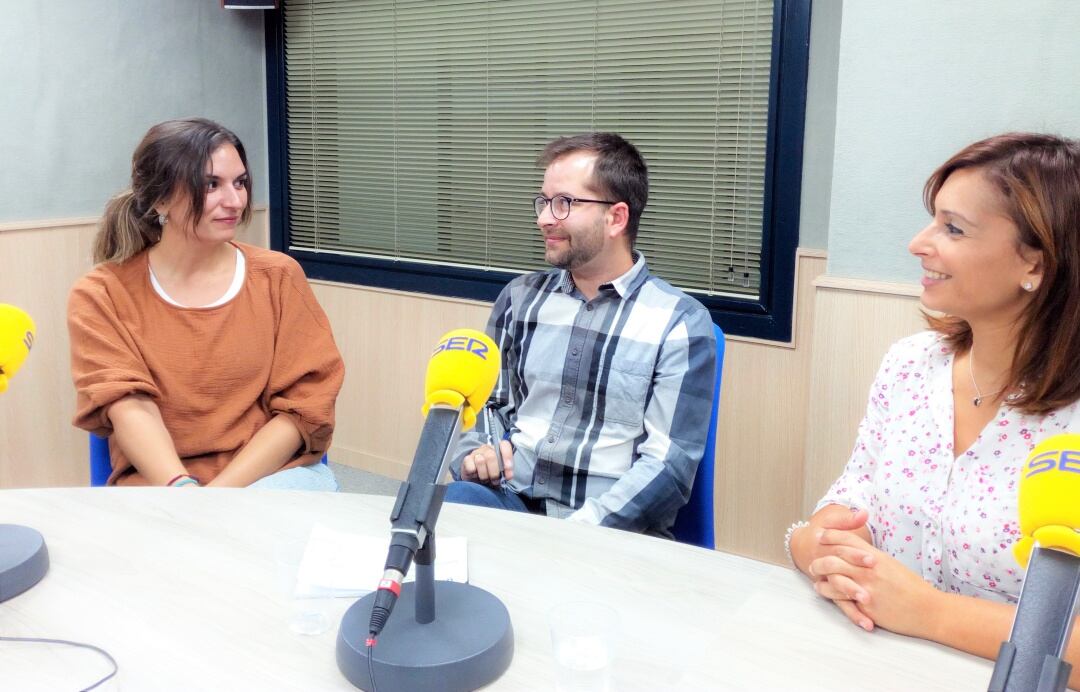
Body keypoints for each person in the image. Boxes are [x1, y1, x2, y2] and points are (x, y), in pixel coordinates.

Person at [787, 132, 1080, 677]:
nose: (918, 243)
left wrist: (930, 613)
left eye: (953, 228)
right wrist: (819, 549)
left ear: (1036, 263)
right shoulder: (910, 364)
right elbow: (848, 503)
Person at [445, 133, 717, 537]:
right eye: (543, 201)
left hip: (608, 528)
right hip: (510, 499)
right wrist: (479, 452)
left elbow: (668, 466)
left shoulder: (678, 323)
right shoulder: (519, 299)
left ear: (616, 218)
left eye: (564, 203)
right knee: (452, 513)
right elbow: (487, 403)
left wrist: (575, 534)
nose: (544, 218)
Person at [67, 118, 345, 489]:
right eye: (211, 184)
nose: (235, 201)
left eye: (240, 182)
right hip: (163, 486)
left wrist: (216, 499)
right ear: (160, 198)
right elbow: (129, 406)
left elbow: (303, 407)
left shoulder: (278, 277)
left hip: (270, 479)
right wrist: (184, 492)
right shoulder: (101, 294)